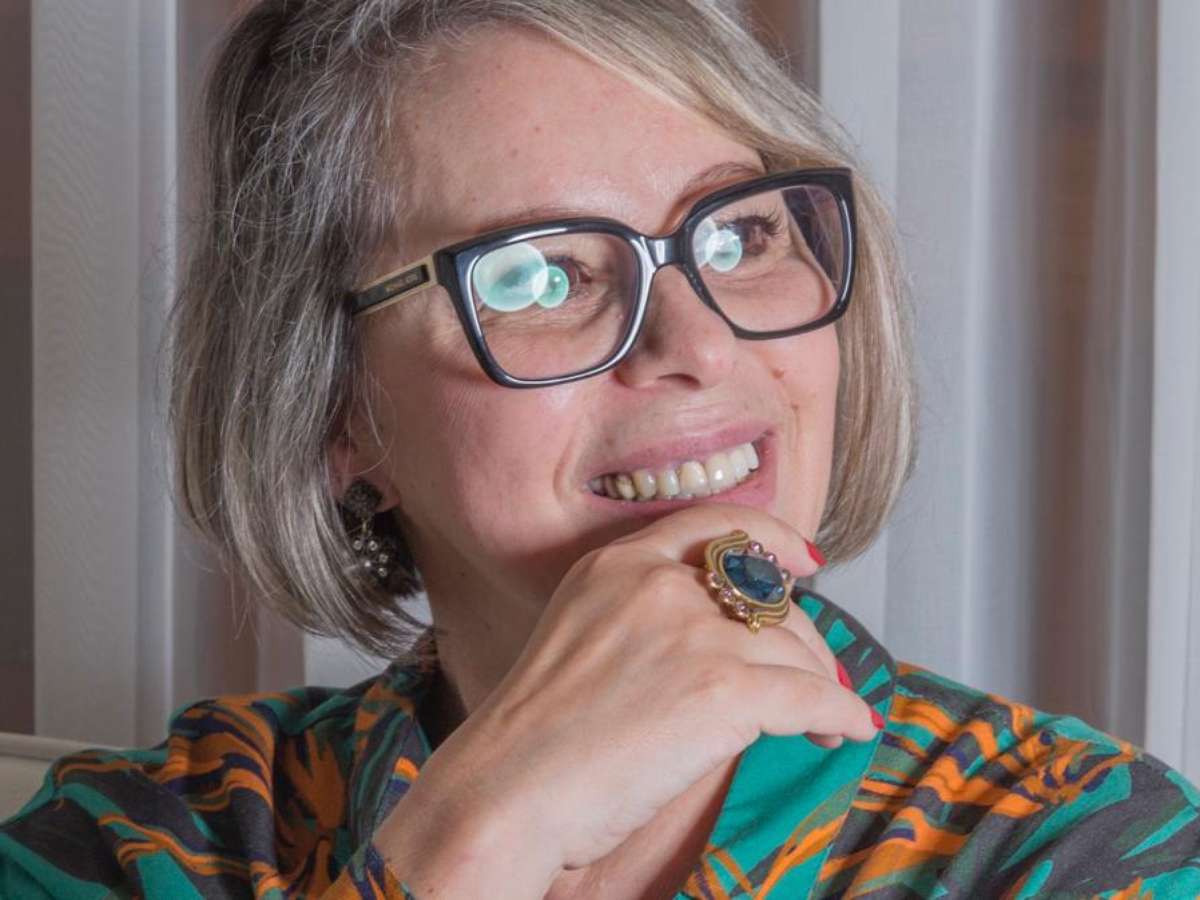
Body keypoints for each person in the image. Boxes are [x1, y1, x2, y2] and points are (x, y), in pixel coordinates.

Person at [3, 1, 1199, 897]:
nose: (701, 344)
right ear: (333, 410)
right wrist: (482, 837)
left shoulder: (1081, 843)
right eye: (537, 275)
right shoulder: (141, 845)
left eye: (738, 239)